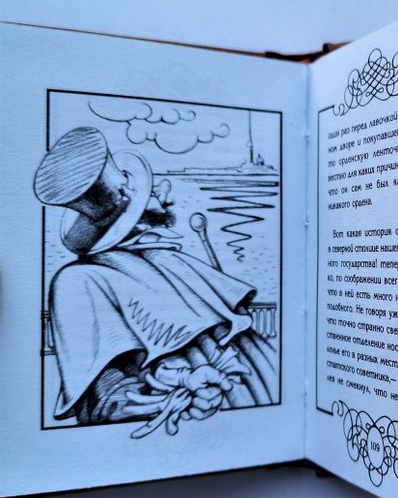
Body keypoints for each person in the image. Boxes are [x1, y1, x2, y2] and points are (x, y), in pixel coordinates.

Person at [34, 126, 276, 438]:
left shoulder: (167, 259)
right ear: (132, 212)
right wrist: (176, 393)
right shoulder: (79, 279)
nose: (164, 191)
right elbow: (109, 397)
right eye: (150, 191)